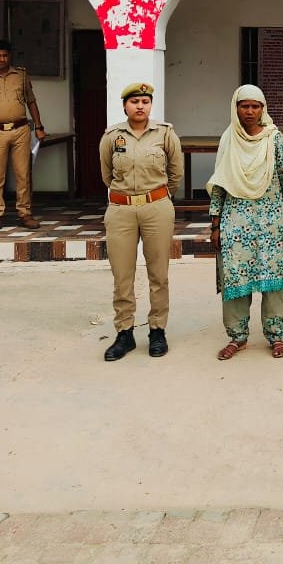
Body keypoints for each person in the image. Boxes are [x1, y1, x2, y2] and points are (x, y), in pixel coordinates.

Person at [208, 85, 283, 361]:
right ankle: (237, 337)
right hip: (235, 219)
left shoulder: (273, 138)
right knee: (235, 276)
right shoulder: (229, 139)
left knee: (273, 280)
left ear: (263, 109)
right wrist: (215, 224)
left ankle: (276, 335)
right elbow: (219, 183)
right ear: (236, 108)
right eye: (244, 106)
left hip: (271, 219)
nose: (250, 111)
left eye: (255, 106)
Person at [99, 82, 184, 362]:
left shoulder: (165, 134)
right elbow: (107, 174)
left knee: (158, 273)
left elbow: (176, 172)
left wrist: (158, 196)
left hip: (156, 208)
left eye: (145, 102)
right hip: (121, 209)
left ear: (150, 105)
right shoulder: (112, 136)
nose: (140, 106)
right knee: (122, 275)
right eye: (134, 101)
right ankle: (124, 333)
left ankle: (157, 330)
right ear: (125, 106)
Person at [0, 39, 47, 233]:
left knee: (23, 174)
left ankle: (25, 214)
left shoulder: (21, 75)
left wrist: (39, 126)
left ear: (9, 56)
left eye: (5, 55)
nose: (2, 59)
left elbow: (31, 101)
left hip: (21, 130)